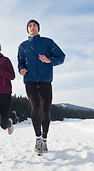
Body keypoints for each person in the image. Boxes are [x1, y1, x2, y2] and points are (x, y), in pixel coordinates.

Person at [17, 20, 65, 156]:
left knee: (45, 109)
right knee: (35, 106)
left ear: (38, 28)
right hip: (30, 80)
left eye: (34, 25)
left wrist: (49, 60)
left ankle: (44, 139)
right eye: (29, 26)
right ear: (27, 30)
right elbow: (20, 62)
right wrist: (21, 69)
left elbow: (61, 57)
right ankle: (38, 139)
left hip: (45, 80)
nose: (32, 27)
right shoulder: (22, 46)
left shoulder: (48, 42)